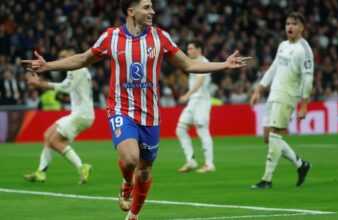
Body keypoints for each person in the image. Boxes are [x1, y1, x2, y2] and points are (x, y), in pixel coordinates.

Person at [22, 0, 250, 219]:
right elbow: (83, 59)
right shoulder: (111, 37)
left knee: (145, 170)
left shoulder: (160, 37)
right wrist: (48, 65)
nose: (153, 11)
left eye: (152, 7)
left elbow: (188, 64)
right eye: (147, 7)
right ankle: (127, 182)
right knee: (131, 159)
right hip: (120, 109)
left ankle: (133, 215)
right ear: (131, 11)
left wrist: (223, 65)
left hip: (150, 115)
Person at [249, 12, 313, 189]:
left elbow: (308, 78)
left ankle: (267, 179)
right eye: (287, 23)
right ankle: (301, 165)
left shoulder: (304, 49)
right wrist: (259, 89)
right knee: (267, 137)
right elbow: (273, 68)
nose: (290, 27)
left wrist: (304, 105)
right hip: (273, 94)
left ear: (301, 27)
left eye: (294, 24)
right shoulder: (283, 45)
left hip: (287, 96)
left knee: (275, 135)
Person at [24, 47, 94, 184]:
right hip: (80, 112)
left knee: (55, 141)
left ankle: (82, 167)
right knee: (48, 135)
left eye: (64, 58)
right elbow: (71, 89)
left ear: (70, 57)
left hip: (82, 114)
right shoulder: (81, 70)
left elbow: (66, 87)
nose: (62, 62)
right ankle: (41, 172)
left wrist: (42, 84)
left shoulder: (77, 68)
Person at [176, 40, 215, 173]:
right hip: (193, 101)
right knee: (180, 129)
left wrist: (187, 94)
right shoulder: (191, 63)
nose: (188, 51)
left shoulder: (204, 62)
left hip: (202, 101)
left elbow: (200, 81)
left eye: (191, 48)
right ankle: (191, 160)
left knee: (202, 130)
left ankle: (209, 164)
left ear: (199, 49)